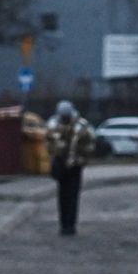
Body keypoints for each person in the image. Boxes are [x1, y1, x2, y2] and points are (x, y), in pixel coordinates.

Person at [45, 100, 95, 235]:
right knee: (63, 195)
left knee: (72, 195)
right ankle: (64, 224)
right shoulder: (53, 125)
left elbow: (90, 144)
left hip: (75, 165)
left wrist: (81, 158)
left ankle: (70, 224)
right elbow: (48, 143)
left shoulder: (81, 126)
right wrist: (54, 156)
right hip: (61, 165)